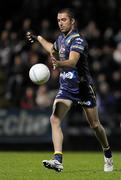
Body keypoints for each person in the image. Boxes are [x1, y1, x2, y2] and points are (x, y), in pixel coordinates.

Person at [26, 8, 113, 172]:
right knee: (55, 119)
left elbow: (72, 61)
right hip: (66, 87)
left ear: (72, 21)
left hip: (82, 87)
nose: (60, 23)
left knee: (95, 125)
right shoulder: (61, 39)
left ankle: (107, 153)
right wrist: (38, 38)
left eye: (64, 20)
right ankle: (57, 159)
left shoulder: (78, 40)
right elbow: (53, 48)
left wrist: (59, 64)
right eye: (58, 20)